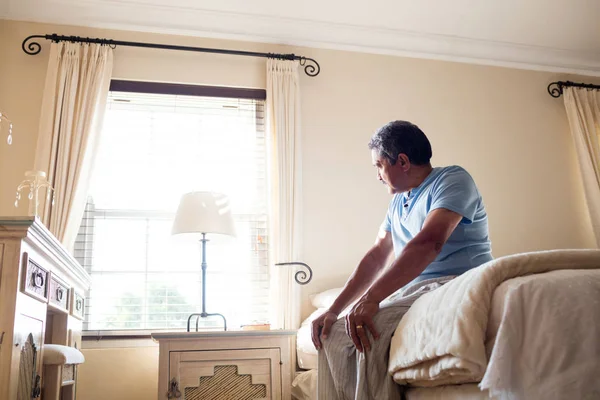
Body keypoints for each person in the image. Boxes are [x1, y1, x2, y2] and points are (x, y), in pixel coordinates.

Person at [312, 120, 493, 400]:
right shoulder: (398, 200)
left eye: (379, 165)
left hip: (455, 282)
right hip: (418, 289)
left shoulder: (453, 179)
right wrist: (334, 310)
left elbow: (428, 243)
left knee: (366, 332)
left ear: (403, 161)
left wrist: (372, 299)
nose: (377, 175)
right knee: (332, 332)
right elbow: (376, 256)